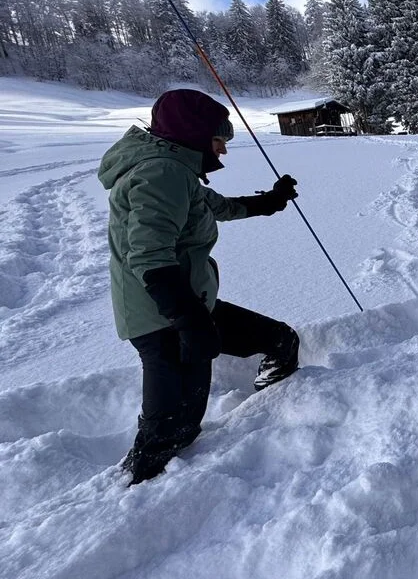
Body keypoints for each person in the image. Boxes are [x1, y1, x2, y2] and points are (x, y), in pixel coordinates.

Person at [98, 89, 302, 485]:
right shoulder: (161, 172)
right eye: (219, 141)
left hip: (189, 306)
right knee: (170, 430)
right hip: (164, 318)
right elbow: (150, 256)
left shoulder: (174, 170)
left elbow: (214, 207)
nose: (223, 152)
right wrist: (190, 322)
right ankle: (135, 496)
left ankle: (273, 410)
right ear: (193, 135)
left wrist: (269, 201)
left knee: (280, 340)